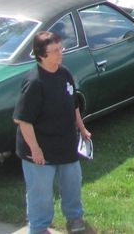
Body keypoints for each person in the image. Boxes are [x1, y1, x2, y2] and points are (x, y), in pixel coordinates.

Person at [13, 31, 90, 234]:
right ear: (41, 55)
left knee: (73, 182)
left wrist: (81, 129)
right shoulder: (34, 83)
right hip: (40, 149)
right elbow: (23, 121)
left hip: (65, 144)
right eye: (55, 50)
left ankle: (74, 218)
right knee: (41, 192)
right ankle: (39, 228)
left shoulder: (64, 73)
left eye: (60, 48)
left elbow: (73, 104)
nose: (60, 53)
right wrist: (35, 149)